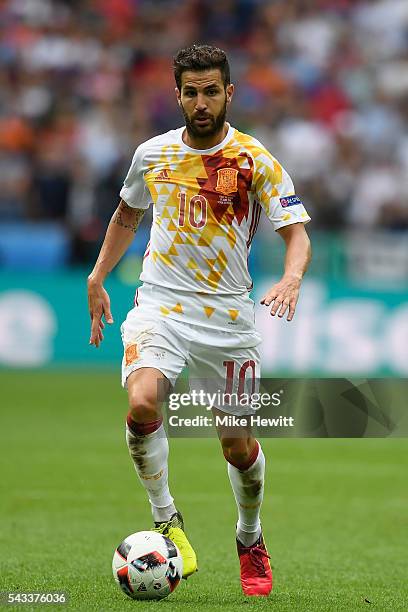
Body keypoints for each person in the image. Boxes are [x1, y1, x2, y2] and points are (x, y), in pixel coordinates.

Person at [87, 44, 311, 597]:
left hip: (228, 319)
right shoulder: (153, 155)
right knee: (142, 402)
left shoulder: (254, 159)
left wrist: (291, 277)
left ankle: (249, 535)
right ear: (178, 95)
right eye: (191, 91)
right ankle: (168, 523)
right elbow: (126, 215)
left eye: (212, 90)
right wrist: (97, 277)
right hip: (160, 304)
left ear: (229, 93)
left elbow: (298, 234)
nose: (201, 101)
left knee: (237, 444)